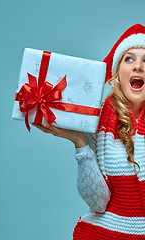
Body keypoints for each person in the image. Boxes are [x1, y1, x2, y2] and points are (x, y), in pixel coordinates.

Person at [32, 24, 145, 239]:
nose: (138, 66)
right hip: (109, 231)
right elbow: (98, 203)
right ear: (117, 73)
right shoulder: (99, 124)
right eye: (129, 59)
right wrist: (79, 141)